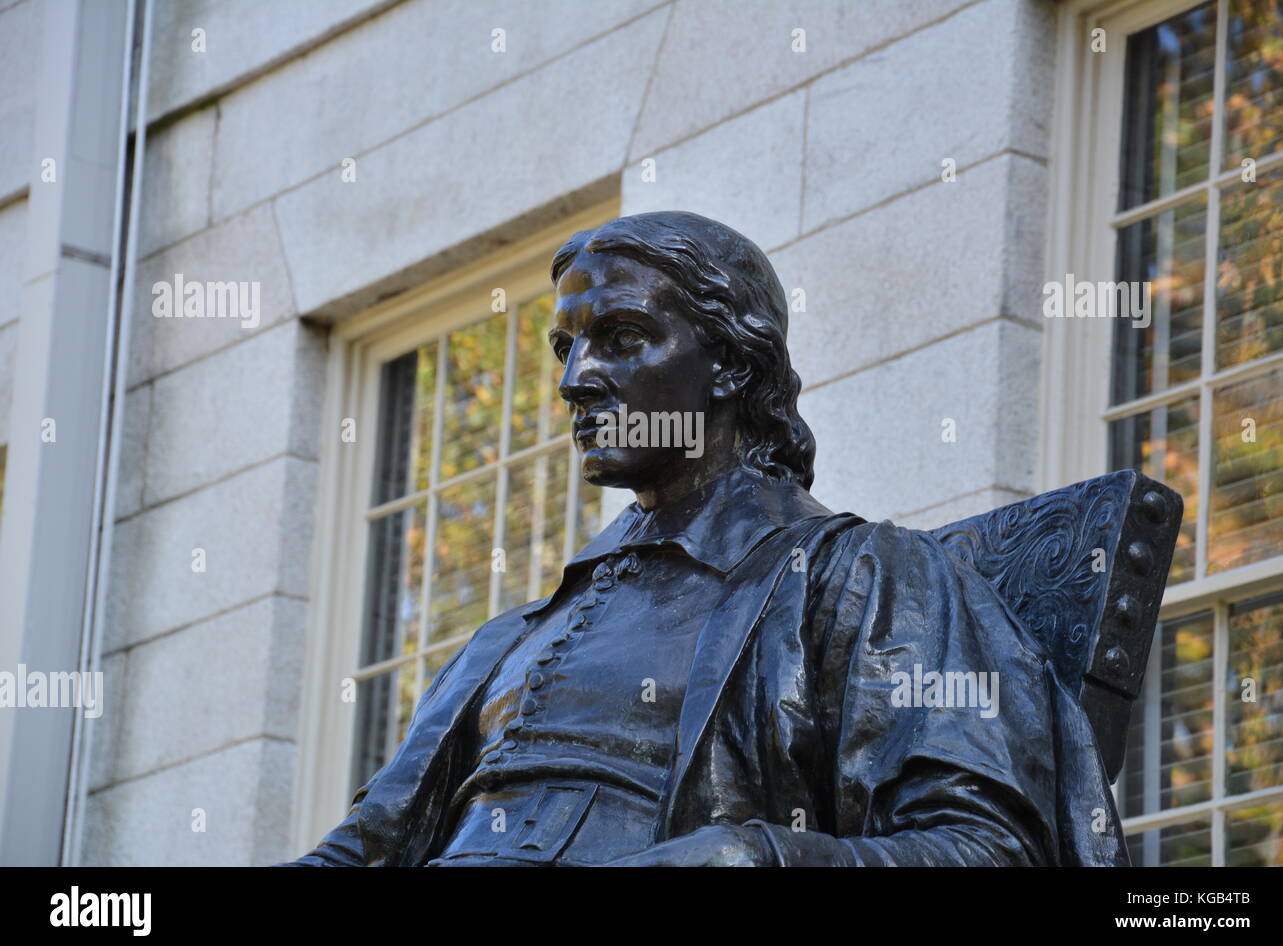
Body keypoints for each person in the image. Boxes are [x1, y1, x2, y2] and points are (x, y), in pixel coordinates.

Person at [285, 211, 1125, 866]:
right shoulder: (506, 642)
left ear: (727, 363)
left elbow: (993, 850)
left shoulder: (862, 576)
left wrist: (755, 855)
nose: (576, 379)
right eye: (566, 347)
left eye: (620, 339)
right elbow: (356, 852)